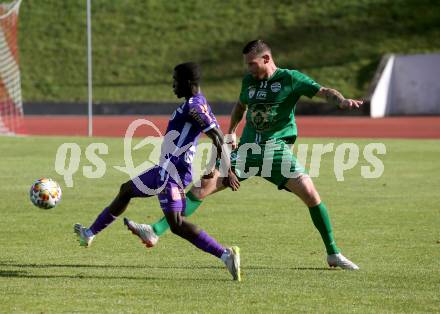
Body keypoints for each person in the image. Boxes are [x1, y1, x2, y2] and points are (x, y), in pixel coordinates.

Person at [127, 40, 362, 270]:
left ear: (266, 59)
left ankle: (333, 253)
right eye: (247, 64)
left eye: (252, 63)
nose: (249, 69)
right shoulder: (249, 82)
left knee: (311, 194)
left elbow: (323, 91)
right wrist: (230, 132)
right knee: (201, 188)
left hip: (275, 151)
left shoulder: (290, 78)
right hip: (247, 152)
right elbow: (240, 107)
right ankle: (154, 231)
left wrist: (341, 101)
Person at [74, 62, 242, 281]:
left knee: (177, 224)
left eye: (175, 81)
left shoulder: (194, 106)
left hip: (171, 172)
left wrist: (226, 170)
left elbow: (218, 137)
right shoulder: (198, 104)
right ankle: (90, 233)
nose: (172, 85)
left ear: (188, 83)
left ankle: (225, 254)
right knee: (127, 190)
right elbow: (216, 135)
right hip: (166, 170)